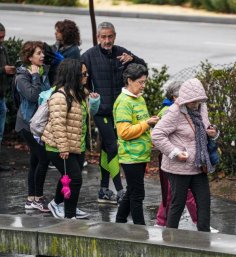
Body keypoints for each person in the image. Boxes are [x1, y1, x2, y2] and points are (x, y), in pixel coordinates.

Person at [81, 21, 146, 204]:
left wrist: (132, 59)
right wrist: (88, 94)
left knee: (106, 149)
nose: (107, 40)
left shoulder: (122, 53)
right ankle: (119, 190)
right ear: (97, 37)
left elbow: (143, 70)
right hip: (101, 111)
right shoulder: (89, 56)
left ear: (115, 36)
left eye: (110, 36)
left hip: (119, 111)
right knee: (113, 147)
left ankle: (103, 190)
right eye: (103, 37)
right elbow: (80, 79)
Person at [152, 78, 219, 232]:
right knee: (177, 203)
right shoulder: (175, 111)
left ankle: (204, 237)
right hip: (179, 166)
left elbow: (205, 128)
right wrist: (174, 152)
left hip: (199, 164)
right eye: (192, 101)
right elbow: (157, 134)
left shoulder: (202, 108)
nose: (195, 104)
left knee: (204, 201)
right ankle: (171, 238)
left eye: (198, 101)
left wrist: (213, 133)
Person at [42, 59, 100, 219]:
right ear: (73, 75)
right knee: (75, 179)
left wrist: (94, 102)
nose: (86, 77)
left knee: (67, 176)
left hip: (77, 145)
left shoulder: (81, 93)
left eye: (86, 73)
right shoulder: (59, 97)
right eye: (83, 74)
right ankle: (69, 216)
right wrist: (63, 148)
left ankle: (56, 203)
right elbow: (57, 124)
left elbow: (88, 115)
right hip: (58, 147)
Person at [113, 63, 159, 225]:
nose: (143, 86)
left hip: (141, 155)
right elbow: (124, 132)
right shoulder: (124, 102)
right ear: (129, 80)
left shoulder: (139, 99)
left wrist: (152, 135)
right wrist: (147, 123)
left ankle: (120, 221)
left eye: (145, 82)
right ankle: (140, 230)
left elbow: (142, 126)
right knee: (138, 194)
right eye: (140, 82)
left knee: (131, 191)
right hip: (130, 156)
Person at [154, 80, 198, 228]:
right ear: (174, 97)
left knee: (171, 193)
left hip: (181, 159)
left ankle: (161, 221)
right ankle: (198, 222)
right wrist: (174, 151)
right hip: (173, 161)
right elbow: (157, 135)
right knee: (183, 193)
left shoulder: (185, 110)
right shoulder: (170, 111)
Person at [15, 41, 51, 212]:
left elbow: (48, 93)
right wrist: (35, 77)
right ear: (29, 57)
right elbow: (32, 96)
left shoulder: (43, 72)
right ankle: (36, 198)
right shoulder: (22, 76)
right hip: (27, 124)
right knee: (44, 159)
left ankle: (32, 199)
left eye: (42, 53)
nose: (42, 55)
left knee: (35, 161)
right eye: (38, 53)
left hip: (38, 124)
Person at [0, 22, 16, 171]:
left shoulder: (3, 48)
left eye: (3, 37)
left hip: (1, 95)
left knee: (0, 130)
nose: (2, 40)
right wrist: (2, 70)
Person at [48, 19, 81, 86]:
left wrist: (63, 62)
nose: (55, 33)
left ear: (66, 33)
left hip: (63, 85)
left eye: (58, 31)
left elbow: (72, 73)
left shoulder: (74, 50)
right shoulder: (57, 46)